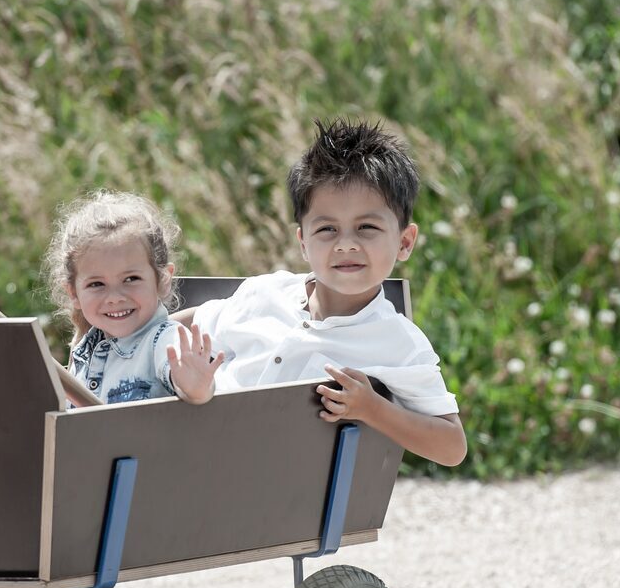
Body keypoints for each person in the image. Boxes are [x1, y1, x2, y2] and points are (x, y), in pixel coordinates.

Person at [181, 119, 467, 467]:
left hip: (295, 501)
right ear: (303, 243)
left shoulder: (398, 343)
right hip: (199, 466)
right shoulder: (264, 293)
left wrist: (372, 408)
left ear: (404, 242)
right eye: (327, 229)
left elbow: (452, 447)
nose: (346, 244)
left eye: (367, 228)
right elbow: (190, 324)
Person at [44, 190, 225, 405]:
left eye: (131, 279)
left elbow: (184, 379)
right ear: (74, 293)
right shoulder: (84, 351)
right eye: (96, 284)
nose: (114, 297)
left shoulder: (163, 340)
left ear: (163, 280)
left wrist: (194, 386)